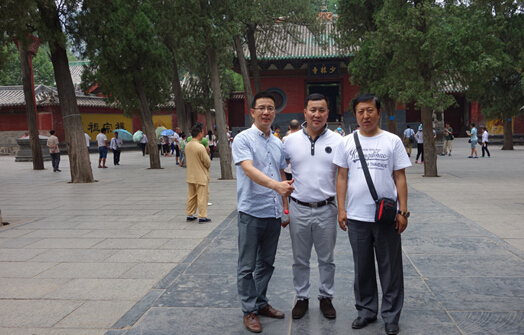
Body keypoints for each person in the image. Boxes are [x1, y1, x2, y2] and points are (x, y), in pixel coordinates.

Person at [333, 93, 411, 335]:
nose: (365, 116)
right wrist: (342, 209)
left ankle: (391, 316)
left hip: (386, 217)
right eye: (360, 111)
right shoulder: (346, 142)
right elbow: (342, 177)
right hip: (357, 217)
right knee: (362, 268)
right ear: (354, 114)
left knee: (390, 268)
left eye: (370, 110)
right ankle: (366, 311)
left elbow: (400, 177)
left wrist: (403, 211)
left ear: (379, 112)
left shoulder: (392, 141)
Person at [232, 91, 295, 333]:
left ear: (275, 112)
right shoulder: (243, 139)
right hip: (251, 211)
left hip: (272, 211)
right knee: (247, 265)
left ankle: (260, 301)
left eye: (270, 108)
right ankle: (249, 311)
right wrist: (276, 186)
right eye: (261, 108)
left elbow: (281, 173)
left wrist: (285, 206)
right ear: (253, 112)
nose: (266, 112)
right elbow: (248, 169)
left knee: (266, 263)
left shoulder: (278, 142)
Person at [283, 93, 342, 320]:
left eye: (322, 110)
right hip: (298, 207)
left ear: (328, 113)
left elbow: (344, 176)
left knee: (327, 258)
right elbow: (281, 172)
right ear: (304, 112)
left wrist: (342, 209)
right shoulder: (289, 141)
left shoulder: (338, 141)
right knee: (300, 258)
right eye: (313, 110)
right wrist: (284, 206)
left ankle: (326, 297)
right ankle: (301, 297)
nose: (317, 114)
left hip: (327, 208)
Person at [185, 124, 211, 223]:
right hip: (200, 175)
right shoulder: (200, 147)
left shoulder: (188, 145)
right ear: (200, 134)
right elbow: (207, 162)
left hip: (191, 174)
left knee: (191, 196)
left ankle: (190, 214)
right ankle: (202, 216)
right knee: (202, 196)